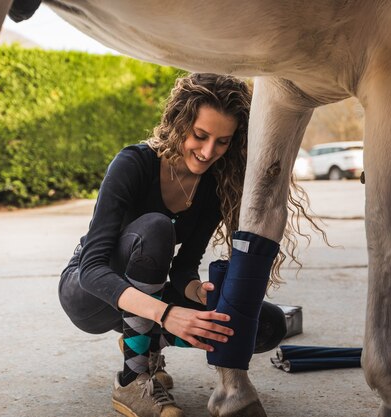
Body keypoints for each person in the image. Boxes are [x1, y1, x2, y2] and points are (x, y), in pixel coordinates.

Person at [59, 73, 279, 417]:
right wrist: (167, 313)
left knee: (265, 324)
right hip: (89, 293)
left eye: (222, 142)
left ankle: (142, 343)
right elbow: (92, 269)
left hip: (146, 296)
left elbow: (184, 266)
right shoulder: (133, 163)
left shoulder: (213, 187)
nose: (208, 152)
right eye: (200, 136)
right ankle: (132, 378)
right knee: (156, 228)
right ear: (180, 123)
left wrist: (196, 291)